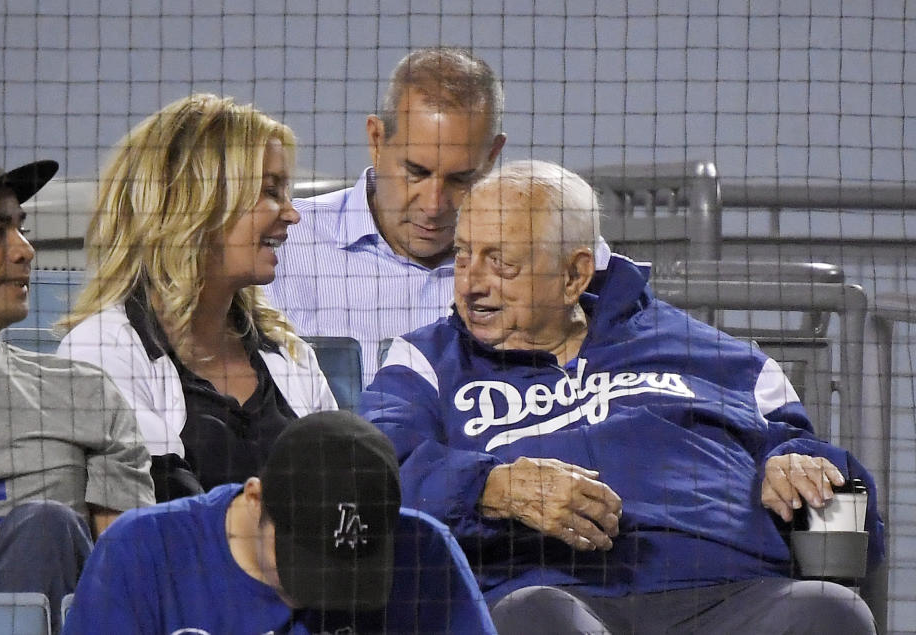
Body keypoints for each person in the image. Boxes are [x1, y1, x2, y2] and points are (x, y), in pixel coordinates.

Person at [359, 160, 884, 634]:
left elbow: (849, 523)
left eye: (502, 264)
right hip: (551, 591)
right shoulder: (426, 364)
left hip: (732, 590)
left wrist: (808, 472)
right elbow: (371, 477)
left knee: (831, 610)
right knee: (533, 621)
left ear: (574, 274)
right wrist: (491, 487)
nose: (471, 285)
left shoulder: (724, 360)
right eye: (465, 256)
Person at [56, 94, 337, 503]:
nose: (292, 213)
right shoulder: (101, 351)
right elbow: (142, 532)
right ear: (197, 203)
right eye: (270, 191)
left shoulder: (290, 355)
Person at [0, 139, 155, 629]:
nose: (25, 251)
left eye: (20, 229)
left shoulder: (83, 395)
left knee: (44, 527)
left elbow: (131, 584)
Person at [63, 410, 497, 634]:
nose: (323, 591)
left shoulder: (424, 550)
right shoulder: (144, 550)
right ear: (255, 498)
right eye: (304, 557)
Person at [264, 47, 508, 386]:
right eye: (416, 172)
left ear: (493, 155)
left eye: (460, 179)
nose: (434, 205)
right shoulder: (280, 247)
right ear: (377, 139)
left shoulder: (540, 256)